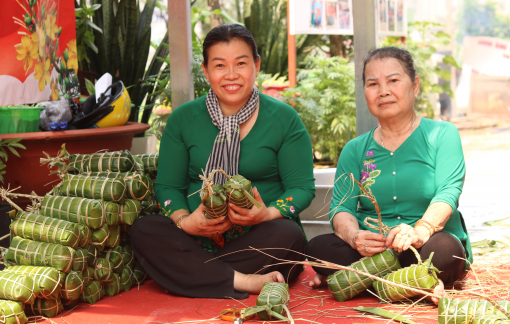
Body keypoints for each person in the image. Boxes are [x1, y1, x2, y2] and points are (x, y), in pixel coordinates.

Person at [129, 24, 315, 300]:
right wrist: (185, 222)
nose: (231, 75)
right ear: (205, 70)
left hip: (261, 239)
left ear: (256, 65)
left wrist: (266, 214)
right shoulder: (182, 120)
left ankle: (190, 274)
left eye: (241, 63)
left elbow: (301, 189)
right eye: (219, 65)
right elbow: (168, 188)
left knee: (289, 235)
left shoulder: (284, 119)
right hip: (194, 239)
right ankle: (244, 280)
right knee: (144, 230)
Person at [306, 47, 472, 304]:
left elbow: (448, 193)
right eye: (373, 84)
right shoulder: (355, 149)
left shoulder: (442, 134)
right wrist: (354, 237)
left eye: (393, 81)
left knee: (446, 253)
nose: (383, 91)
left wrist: (420, 231)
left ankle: (359, 280)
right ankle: (415, 282)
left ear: (414, 85)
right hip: (371, 251)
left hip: (424, 246)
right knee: (318, 249)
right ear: (365, 92)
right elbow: (341, 207)